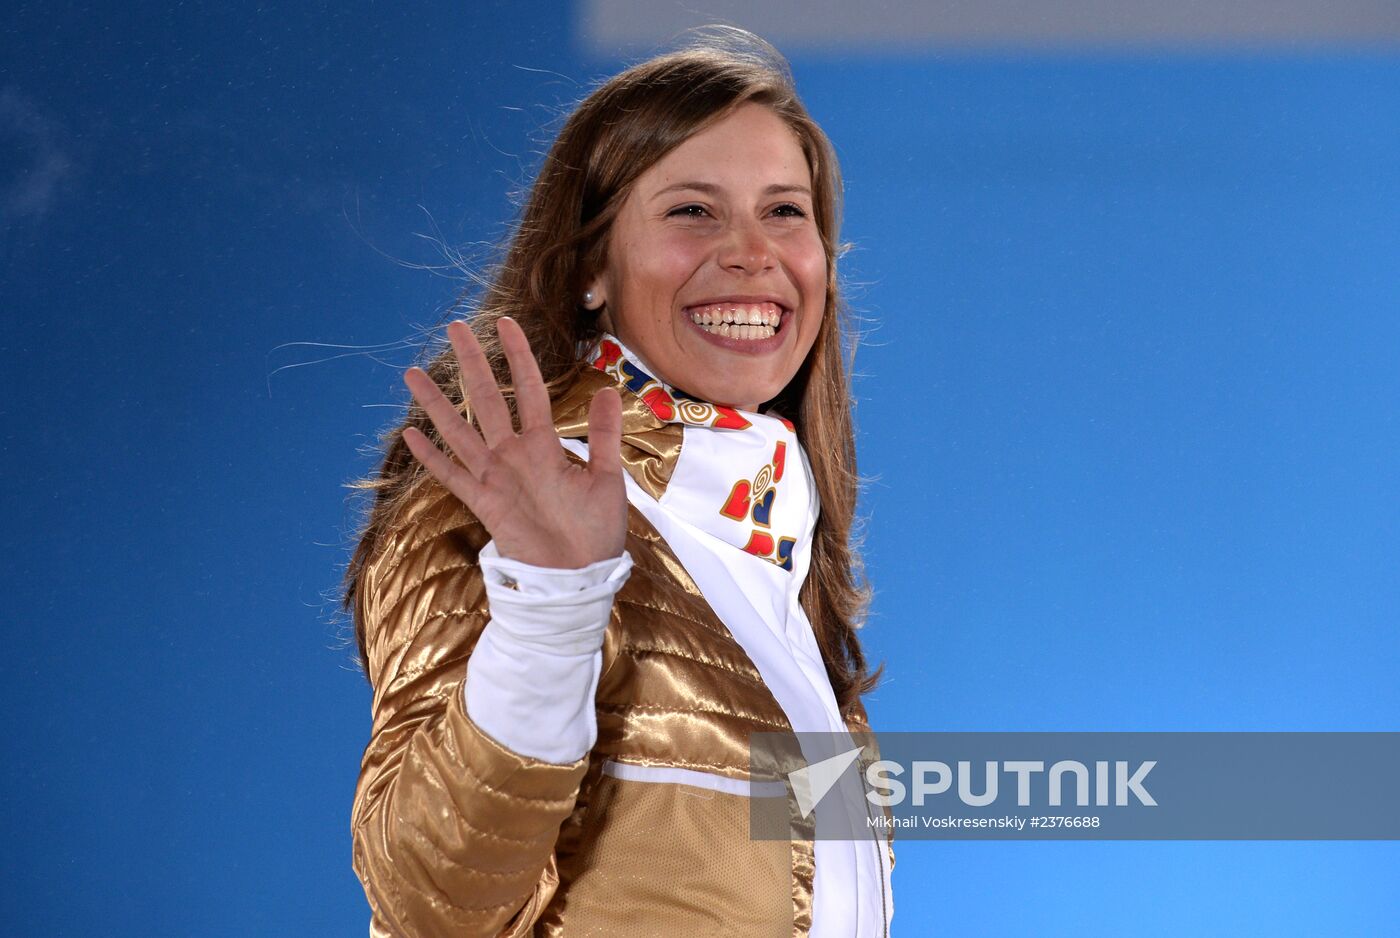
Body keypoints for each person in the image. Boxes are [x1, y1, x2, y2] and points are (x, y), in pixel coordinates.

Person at [342, 27, 893, 937]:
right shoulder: (501, 504)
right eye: (692, 211)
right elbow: (425, 903)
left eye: (786, 212)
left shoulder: (776, 555)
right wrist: (551, 602)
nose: (754, 253)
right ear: (592, 266)